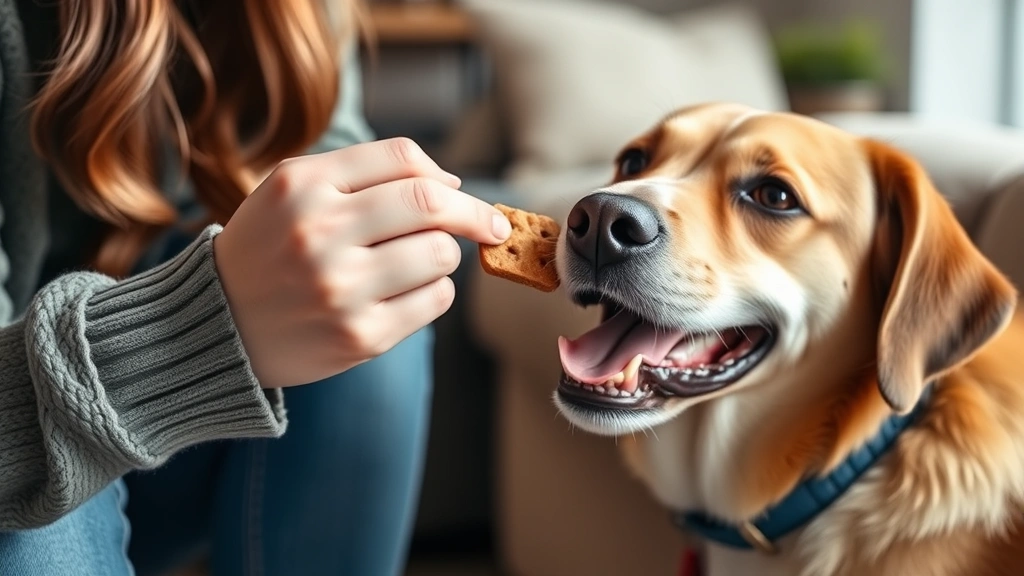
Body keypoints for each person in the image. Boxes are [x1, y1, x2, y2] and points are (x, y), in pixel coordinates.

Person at [0, 1, 512, 575]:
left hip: (168, 456)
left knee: (367, 324)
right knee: (30, 525)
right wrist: (197, 328)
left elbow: (319, 179)